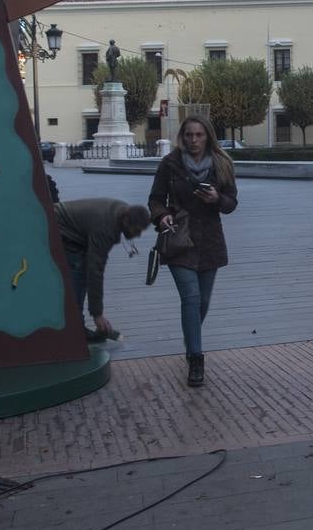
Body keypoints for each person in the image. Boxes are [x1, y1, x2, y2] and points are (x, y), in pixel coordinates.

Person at [148, 114, 238, 387]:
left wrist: (216, 199)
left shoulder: (222, 164)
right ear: (182, 137)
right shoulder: (170, 164)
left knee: (203, 302)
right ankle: (196, 359)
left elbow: (232, 202)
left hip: (209, 240)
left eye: (199, 135)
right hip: (179, 239)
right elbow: (155, 199)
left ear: (208, 136)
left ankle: (191, 336)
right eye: (189, 135)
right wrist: (162, 215)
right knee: (191, 298)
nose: (194, 140)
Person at [54, 198, 151, 342]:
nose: (138, 235)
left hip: (66, 226)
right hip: (57, 228)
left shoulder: (122, 210)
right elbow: (96, 270)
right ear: (125, 220)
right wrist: (97, 314)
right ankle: (73, 330)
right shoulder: (106, 228)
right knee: (78, 276)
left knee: (82, 273)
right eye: (136, 230)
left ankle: (76, 326)